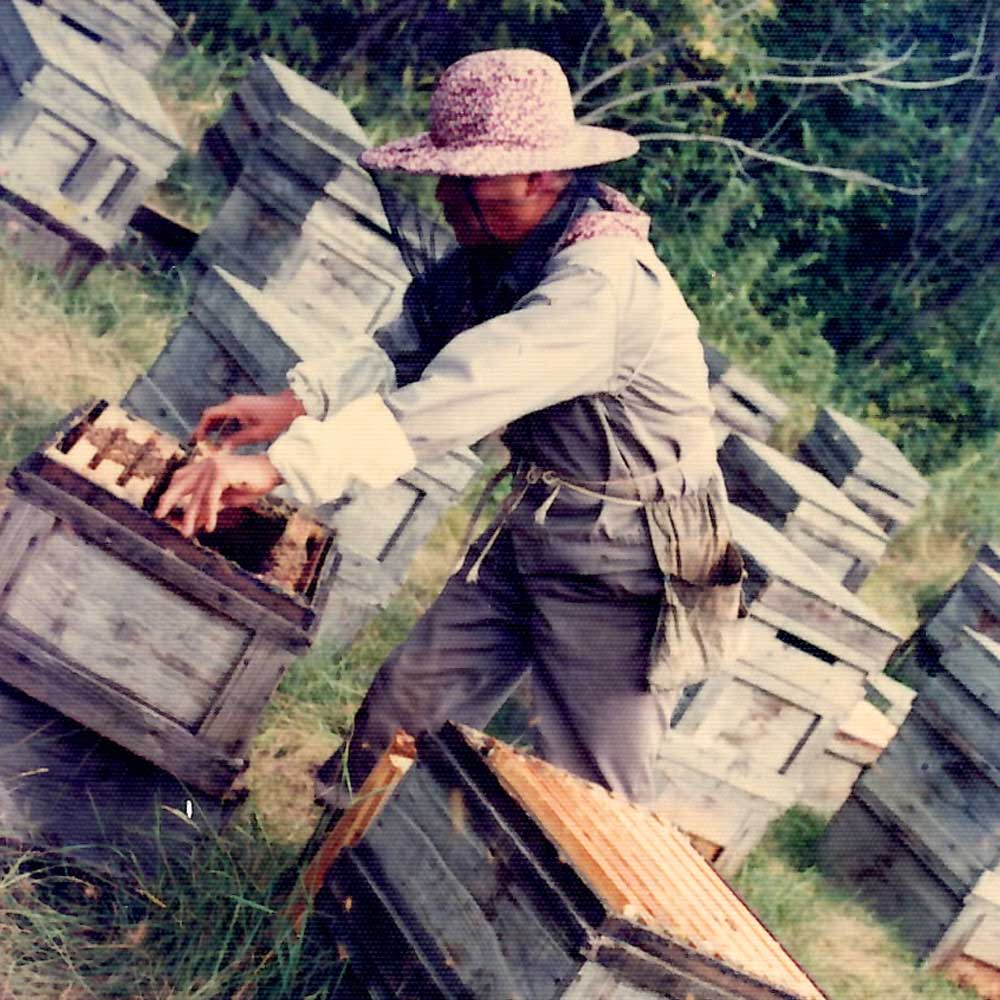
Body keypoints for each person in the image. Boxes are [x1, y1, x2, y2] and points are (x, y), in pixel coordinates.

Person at [154, 48, 745, 808]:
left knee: (590, 798)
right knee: (402, 715)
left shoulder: (600, 287)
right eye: (446, 176)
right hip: (530, 527)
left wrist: (277, 468)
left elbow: (457, 395)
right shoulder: (507, 249)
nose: (446, 197)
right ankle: (327, 887)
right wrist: (296, 404)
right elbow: (408, 346)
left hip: (628, 566)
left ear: (542, 175)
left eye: (469, 178)